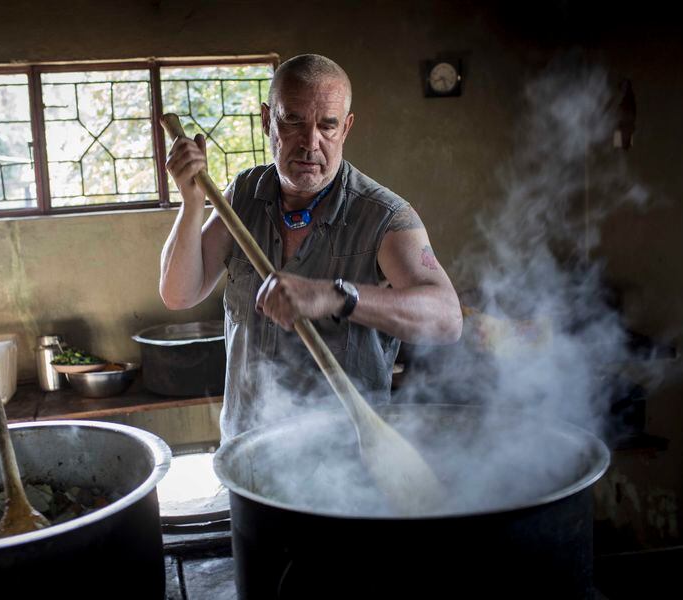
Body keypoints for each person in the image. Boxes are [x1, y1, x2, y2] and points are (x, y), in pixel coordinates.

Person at [160, 54, 462, 440]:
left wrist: (338, 297)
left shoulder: (383, 215)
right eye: (294, 121)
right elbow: (178, 294)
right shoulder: (244, 196)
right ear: (267, 120)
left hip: (344, 464)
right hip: (249, 449)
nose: (310, 143)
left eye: (327, 125)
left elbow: (447, 320)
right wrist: (190, 204)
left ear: (346, 128)